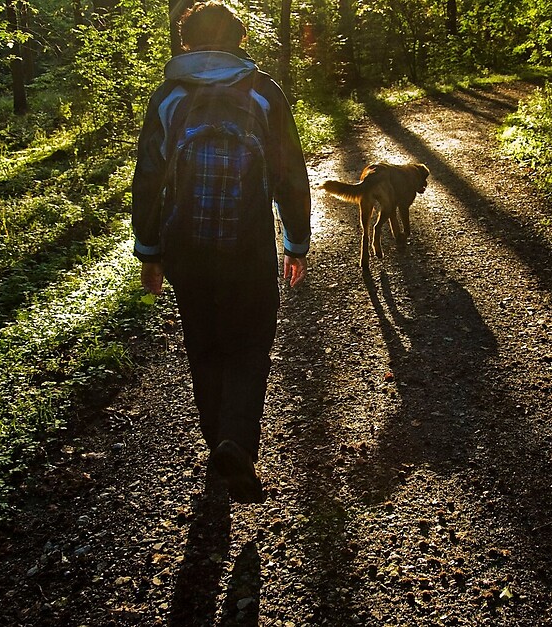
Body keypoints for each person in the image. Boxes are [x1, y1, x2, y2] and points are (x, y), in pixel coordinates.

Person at [131, 1, 311, 504]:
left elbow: (148, 177)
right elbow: (289, 173)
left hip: (187, 247)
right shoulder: (264, 92)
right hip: (249, 245)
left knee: (204, 346)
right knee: (250, 345)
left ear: (186, 41)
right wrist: (295, 241)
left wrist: (150, 251)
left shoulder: (168, 95)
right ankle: (236, 443)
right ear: (238, 39)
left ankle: (218, 445)